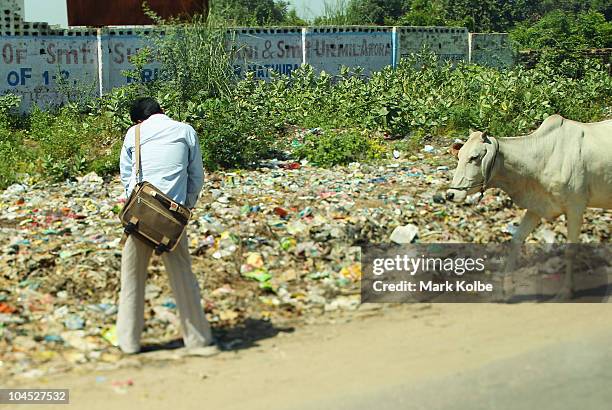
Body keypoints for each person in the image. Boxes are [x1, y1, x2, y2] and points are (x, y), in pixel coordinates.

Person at [117, 97, 215, 355]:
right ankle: (198, 340)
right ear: (162, 111)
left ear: (139, 120)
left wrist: (136, 205)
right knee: (183, 276)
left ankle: (128, 342)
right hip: (172, 221)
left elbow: (127, 177)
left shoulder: (133, 133)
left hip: (140, 219)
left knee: (132, 279)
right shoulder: (185, 130)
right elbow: (196, 176)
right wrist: (185, 210)